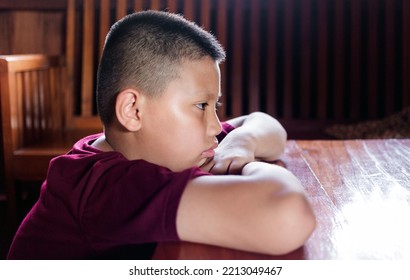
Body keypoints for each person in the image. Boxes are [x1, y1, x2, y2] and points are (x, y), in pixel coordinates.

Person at [7, 10, 315, 259]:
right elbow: (289, 215)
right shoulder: (108, 188)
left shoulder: (137, 144)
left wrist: (240, 145)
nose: (214, 126)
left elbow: (267, 125)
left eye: (215, 105)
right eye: (201, 105)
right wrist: (248, 167)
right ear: (133, 111)